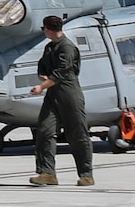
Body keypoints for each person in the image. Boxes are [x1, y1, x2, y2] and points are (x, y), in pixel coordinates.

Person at [27, 14, 93, 186]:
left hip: (69, 94)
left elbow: (61, 73)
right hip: (53, 95)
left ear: (48, 29)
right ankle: (47, 172)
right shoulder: (50, 47)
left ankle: (86, 174)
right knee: (44, 131)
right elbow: (43, 65)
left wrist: (42, 86)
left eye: (44, 28)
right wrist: (42, 75)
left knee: (77, 134)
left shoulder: (67, 48)